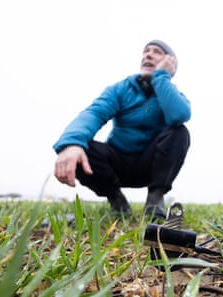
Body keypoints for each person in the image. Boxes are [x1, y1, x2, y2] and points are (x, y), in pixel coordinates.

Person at [53, 40, 191, 219]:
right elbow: (94, 113)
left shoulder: (172, 94)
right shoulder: (121, 89)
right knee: (82, 148)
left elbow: (179, 115)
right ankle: (116, 200)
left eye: (157, 52)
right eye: (145, 51)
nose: (148, 54)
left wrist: (162, 78)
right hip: (117, 164)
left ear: (170, 63)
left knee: (179, 132)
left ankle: (155, 199)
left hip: (150, 165)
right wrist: (72, 144)